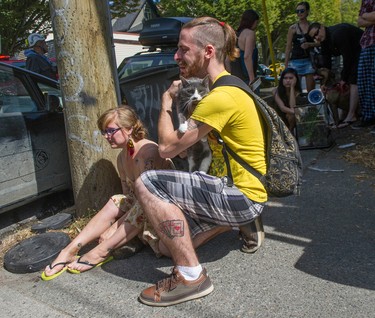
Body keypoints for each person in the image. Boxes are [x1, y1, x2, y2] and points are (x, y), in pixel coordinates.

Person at [134, 17, 267, 306]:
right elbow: (184, 151)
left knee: (147, 182)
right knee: (168, 246)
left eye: (183, 50)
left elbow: (168, 149)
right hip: (239, 187)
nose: (176, 56)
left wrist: (167, 103)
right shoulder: (230, 86)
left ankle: (191, 277)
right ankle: (242, 223)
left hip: (241, 195)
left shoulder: (221, 97)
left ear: (207, 51)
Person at [41, 106, 175, 280]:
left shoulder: (147, 152)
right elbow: (129, 198)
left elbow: (148, 202)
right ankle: (69, 250)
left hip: (166, 213)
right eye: (104, 131)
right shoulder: (121, 158)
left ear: (130, 128)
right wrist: (114, 226)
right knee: (117, 200)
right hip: (142, 211)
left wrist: (113, 228)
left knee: (145, 208)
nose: (106, 136)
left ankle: (100, 251)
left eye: (111, 131)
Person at [307, 22, 363, 128]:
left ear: (322, 27)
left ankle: (351, 115)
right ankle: (347, 113)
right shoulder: (324, 41)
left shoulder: (338, 34)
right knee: (349, 79)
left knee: (353, 80)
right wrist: (323, 83)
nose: (317, 37)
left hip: (363, 48)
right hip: (353, 53)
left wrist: (343, 79)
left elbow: (348, 58)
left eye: (317, 33)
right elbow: (326, 63)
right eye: (314, 36)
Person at [284, 2, 317, 93]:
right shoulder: (293, 28)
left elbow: (320, 43)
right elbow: (288, 47)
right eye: (297, 11)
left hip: (309, 61)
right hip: (295, 61)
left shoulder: (312, 27)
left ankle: (312, 107)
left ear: (307, 12)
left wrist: (310, 44)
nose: (299, 13)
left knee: (311, 90)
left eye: (302, 10)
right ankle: (295, 107)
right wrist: (286, 65)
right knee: (295, 90)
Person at [355, 0, 375, 131]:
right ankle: (369, 117)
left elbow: (364, 17)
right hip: (367, 42)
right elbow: (359, 21)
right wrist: (370, 17)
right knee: (364, 83)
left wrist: (366, 16)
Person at [273, 68, 302, 132]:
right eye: (285, 78)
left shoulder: (297, 92)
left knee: (291, 116)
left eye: (291, 78)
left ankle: (290, 133)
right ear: (282, 79)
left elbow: (293, 106)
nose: (288, 80)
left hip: (292, 117)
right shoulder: (276, 91)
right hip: (280, 115)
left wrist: (292, 88)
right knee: (291, 114)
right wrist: (296, 113)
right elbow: (282, 108)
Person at [236, 9, 260, 85]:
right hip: (247, 77)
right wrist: (252, 78)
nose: (257, 25)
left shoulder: (235, 34)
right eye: (256, 22)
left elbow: (227, 59)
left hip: (236, 77)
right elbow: (247, 56)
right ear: (253, 21)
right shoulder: (250, 34)